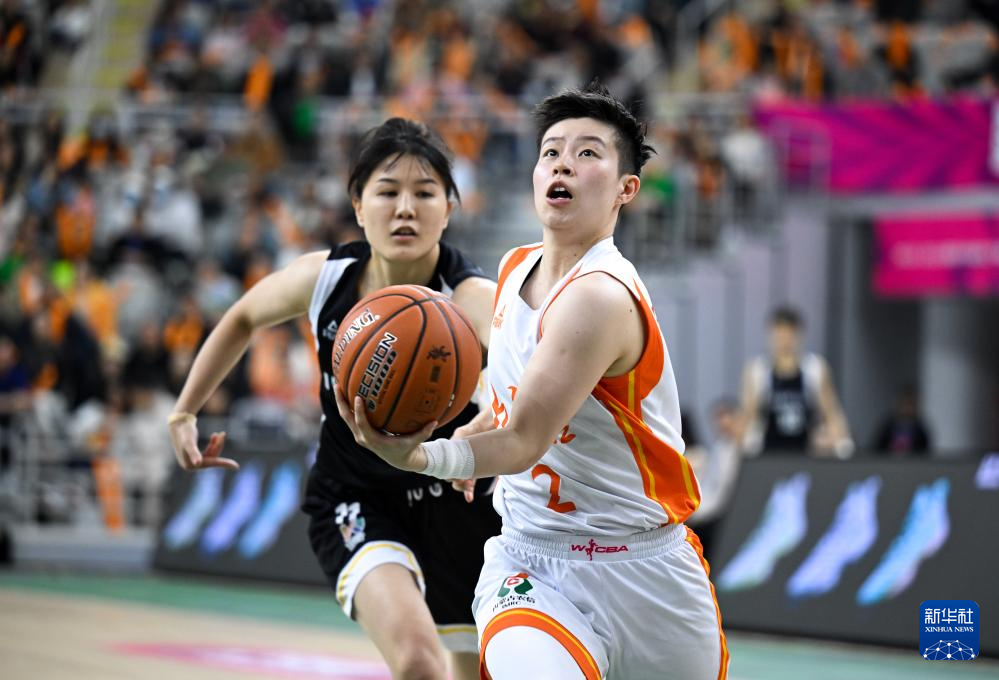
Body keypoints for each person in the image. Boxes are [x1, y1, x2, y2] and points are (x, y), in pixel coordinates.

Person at [337, 82, 728, 680]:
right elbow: (515, 401)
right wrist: (479, 426)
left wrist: (419, 457)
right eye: (551, 151)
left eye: (588, 152)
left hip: (646, 575)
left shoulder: (599, 296)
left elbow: (524, 440)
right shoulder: (515, 265)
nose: (563, 163)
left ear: (626, 190)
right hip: (533, 566)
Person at [167, 118, 501, 680]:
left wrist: (491, 416)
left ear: (449, 208)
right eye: (388, 192)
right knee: (419, 662)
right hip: (357, 495)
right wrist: (185, 410)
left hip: (457, 502)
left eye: (424, 194)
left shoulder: (473, 299)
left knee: (478, 670)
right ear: (358, 205)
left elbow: (527, 379)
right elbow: (243, 316)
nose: (405, 209)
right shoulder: (326, 279)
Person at [737, 306, 853, 458]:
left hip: (807, 450)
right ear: (771, 335)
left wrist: (842, 443)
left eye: (789, 334)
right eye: (780, 335)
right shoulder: (757, 371)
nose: (785, 341)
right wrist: (741, 448)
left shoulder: (814, 369)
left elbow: (831, 411)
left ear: (799, 335)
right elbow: (747, 414)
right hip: (767, 451)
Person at [873, 385, 931, 456]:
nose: (907, 408)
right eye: (905, 404)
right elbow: (878, 448)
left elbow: (924, 452)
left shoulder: (920, 430)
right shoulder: (888, 426)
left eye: (911, 404)